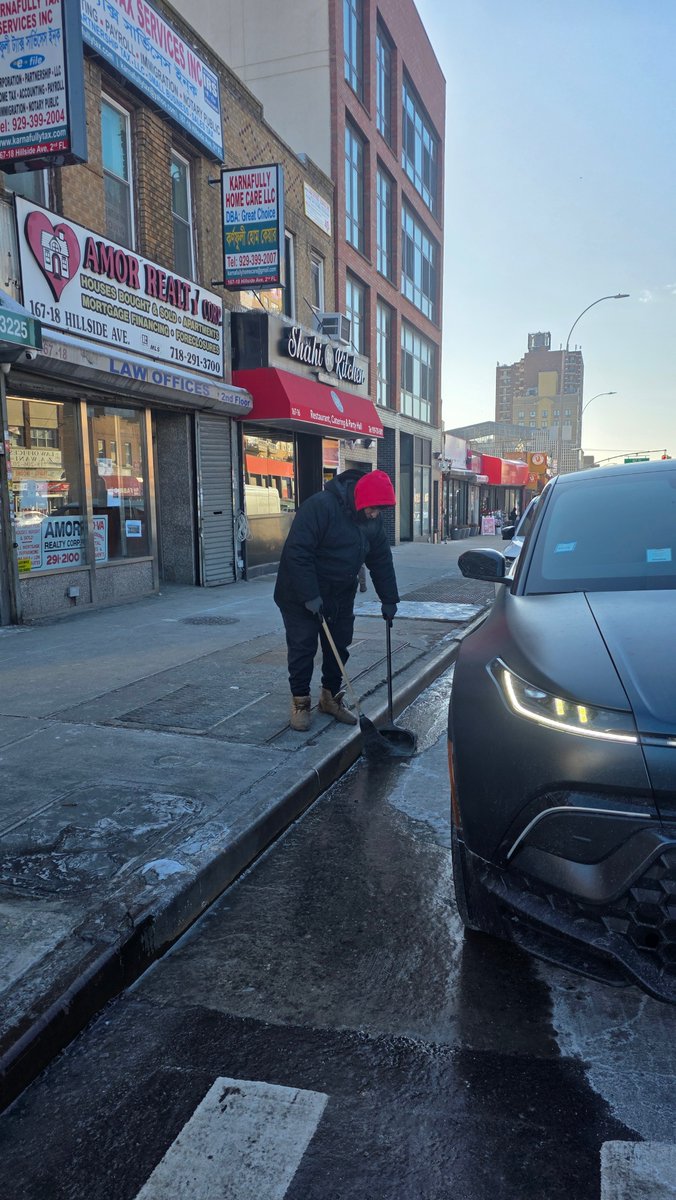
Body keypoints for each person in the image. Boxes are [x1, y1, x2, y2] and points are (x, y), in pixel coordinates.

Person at [274, 468, 399, 731]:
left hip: (339, 593)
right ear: (361, 499)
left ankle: (329, 698)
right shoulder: (321, 507)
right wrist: (310, 595)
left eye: (380, 510)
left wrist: (389, 599)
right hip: (299, 593)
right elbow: (297, 552)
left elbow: (381, 560)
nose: (375, 514)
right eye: (373, 508)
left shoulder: (372, 522)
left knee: (339, 645)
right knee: (303, 647)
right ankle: (300, 702)